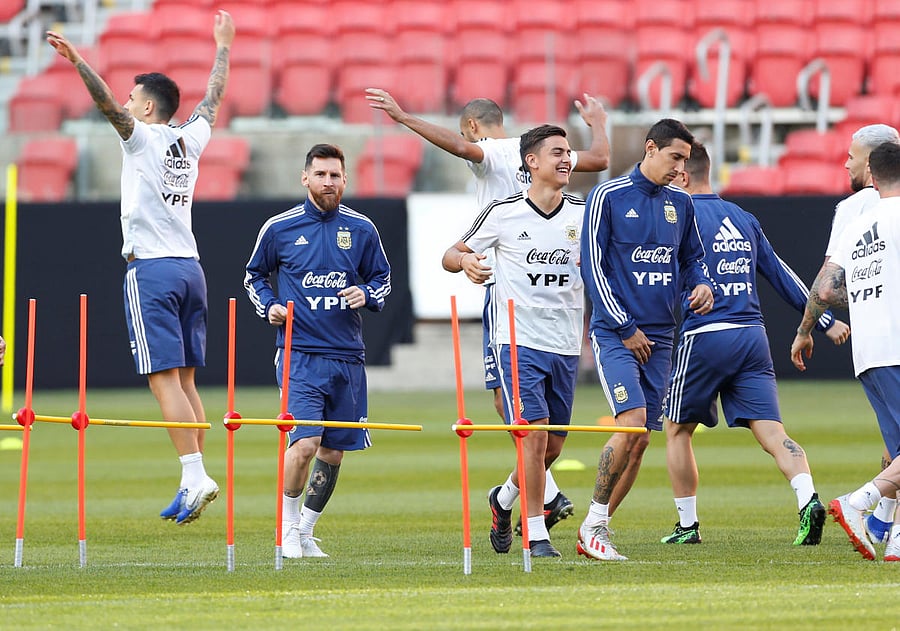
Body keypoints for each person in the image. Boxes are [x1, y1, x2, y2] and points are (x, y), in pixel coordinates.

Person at [366, 87, 609, 534]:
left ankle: (514, 495)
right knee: (525, 419)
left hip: (504, 287)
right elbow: (598, 159)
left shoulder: (495, 152)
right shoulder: (549, 154)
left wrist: (403, 118)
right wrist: (597, 124)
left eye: (467, 132)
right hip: (526, 293)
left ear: (474, 126)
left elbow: (459, 147)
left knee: (510, 408)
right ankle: (542, 497)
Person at [46, 11, 234, 525]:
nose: (126, 103)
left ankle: (195, 474)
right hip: (192, 268)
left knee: (162, 380)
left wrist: (79, 61)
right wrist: (224, 45)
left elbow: (107, 105)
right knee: (188, 381)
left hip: (150, 268)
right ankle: (191, 477)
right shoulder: (191, 138)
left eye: (134, 99)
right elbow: (212, 97)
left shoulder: (142, 137)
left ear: (147, 107)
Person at [661, 142, 849, 546]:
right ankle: (807, 500)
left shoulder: (675, 217)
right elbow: (781, 276)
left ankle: (687, 526)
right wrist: (826, 321)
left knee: (677, 430)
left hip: (705, 336)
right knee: (773, 432)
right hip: (752, 337)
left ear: (682, 175)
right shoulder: (743, 217)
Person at [442, 125, 585, 558]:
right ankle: (536, 534)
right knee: (534, 436)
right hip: (517, 341)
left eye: (569, 153)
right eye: (557, 152)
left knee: (553, 446)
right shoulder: (504, 212)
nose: (566, 160)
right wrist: (466, 261)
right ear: (532, 162)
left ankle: (502, 500)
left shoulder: (586, 213)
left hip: (565, 342)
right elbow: (450, 254)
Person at [244, 143, 391, 559]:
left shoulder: (361, 229)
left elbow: (382, 278)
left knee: (333, 450)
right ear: (305, 178)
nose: (329, 182)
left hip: (348, 356)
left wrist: (366, 293)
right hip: (299, 355)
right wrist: (268, 305)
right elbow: (253, 275)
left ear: (345, 179)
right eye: (321, 174)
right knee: (305, 443)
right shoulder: (280, 228)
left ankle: (306, 531)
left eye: (335, 175)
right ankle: (287, 529)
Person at [577, 119, 715, 561]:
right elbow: (591, 266)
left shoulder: (681, 202)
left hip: (662, 337)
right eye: (674, 157)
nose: (680, 168)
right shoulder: (608, 196)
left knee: (641, 440)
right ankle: (592, 523)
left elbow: (692, 258)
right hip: (617, 334)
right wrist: (624, 326)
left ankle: (598, 528)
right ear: (650, 148)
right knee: (631, 423)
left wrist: (702, 284)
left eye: (685, 160)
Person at [792, 140, 900, 562]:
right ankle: (858, 503)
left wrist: (805, 329)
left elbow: (824, 289)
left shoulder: (859, 224)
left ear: (872, 177)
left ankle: (895, 543)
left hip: (868, 352)